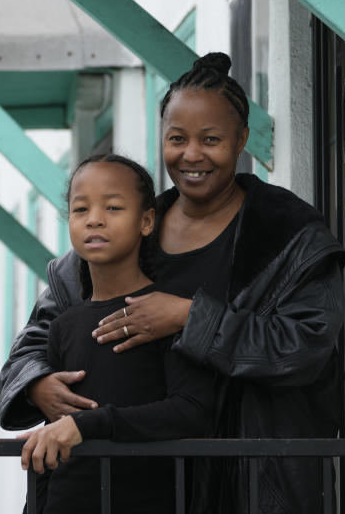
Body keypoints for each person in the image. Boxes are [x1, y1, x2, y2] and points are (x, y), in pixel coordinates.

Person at [0, 52, 345, 513]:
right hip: (134, 491)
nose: (192, 155)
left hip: (252, 486)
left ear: (242, 139)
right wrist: (38, 385)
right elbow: (32, 346)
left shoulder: (289, 235)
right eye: (177, 138)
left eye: (211, 139)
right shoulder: (118, 236)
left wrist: (190, 318)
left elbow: (306, 347)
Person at [19, 154, 215, 513]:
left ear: (146, 221)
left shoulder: (165, 313)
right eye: (80, 210)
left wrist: (91, 425)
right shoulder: (63, 326)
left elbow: (192, 411)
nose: (94, 219)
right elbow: (53, 441)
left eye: (112, 207)